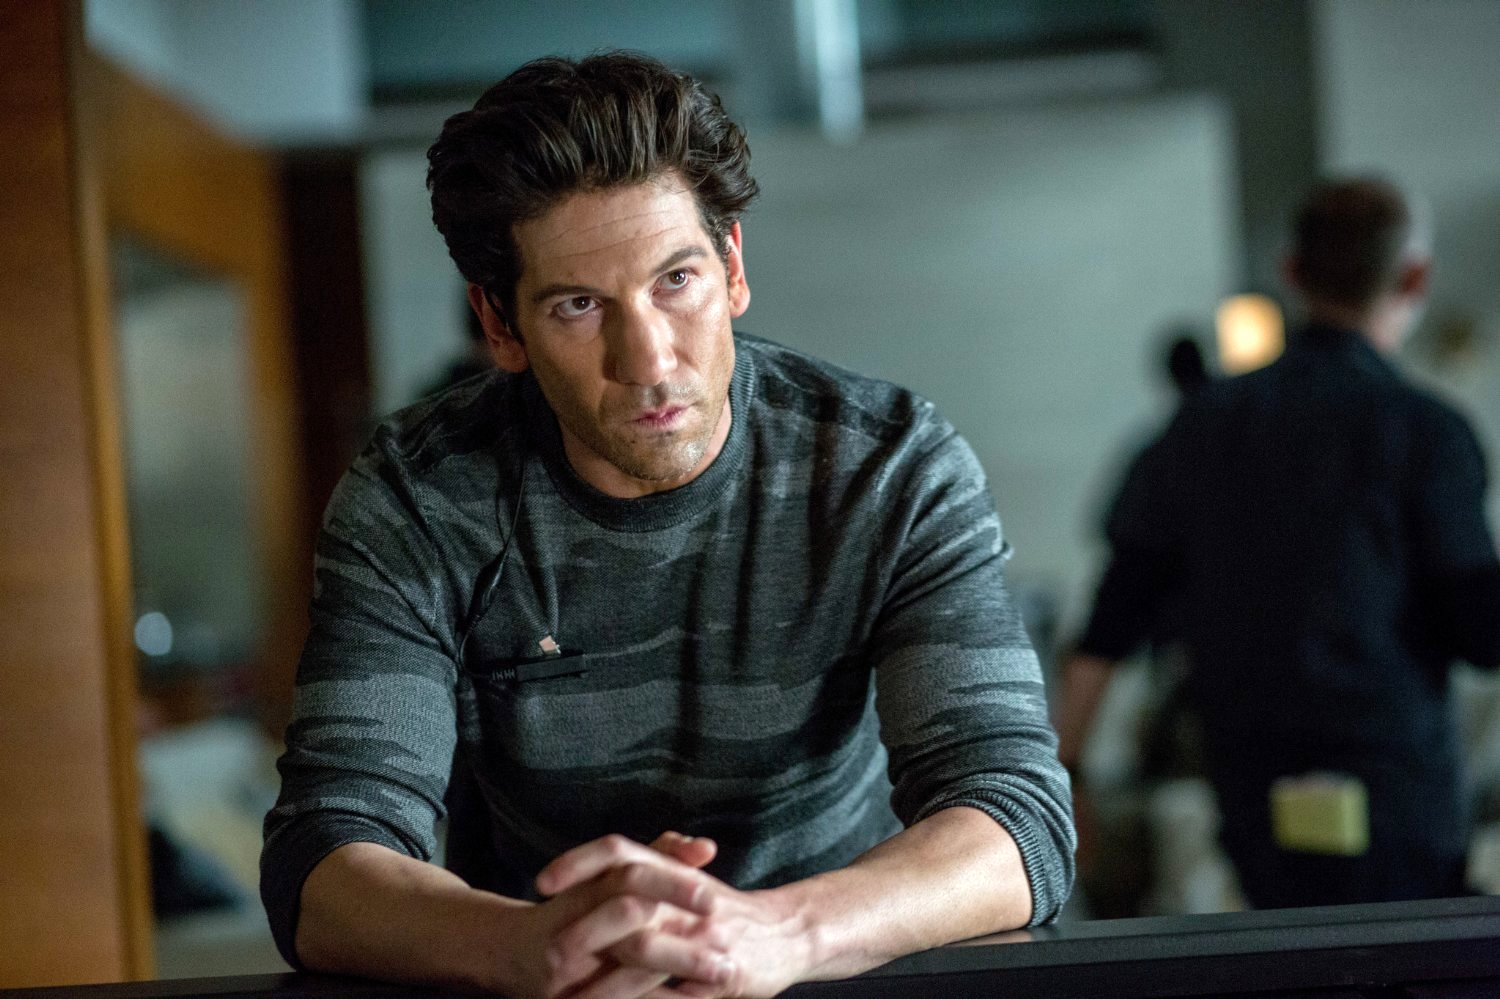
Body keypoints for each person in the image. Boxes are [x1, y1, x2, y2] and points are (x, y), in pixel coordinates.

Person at [261, 52, 1073, 998]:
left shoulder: (887, 467)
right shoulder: (419, 497)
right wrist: (520, 946)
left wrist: (775, 933)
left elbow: (1015, 818)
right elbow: (325, 852)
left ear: (733, 268)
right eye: (579, 305)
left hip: (836, 963)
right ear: (501, 326)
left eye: (676, 279)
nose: (647, 360)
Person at [1055, 178, 1500, 910]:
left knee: (1288, 947)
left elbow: (1113, 616)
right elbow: (1481, 632)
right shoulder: (1427, 432)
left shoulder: (1200, 425)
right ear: (1415, 278)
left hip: (1253, 787)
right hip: (1394, 789)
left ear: (1292, 272)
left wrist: (1064, 771)